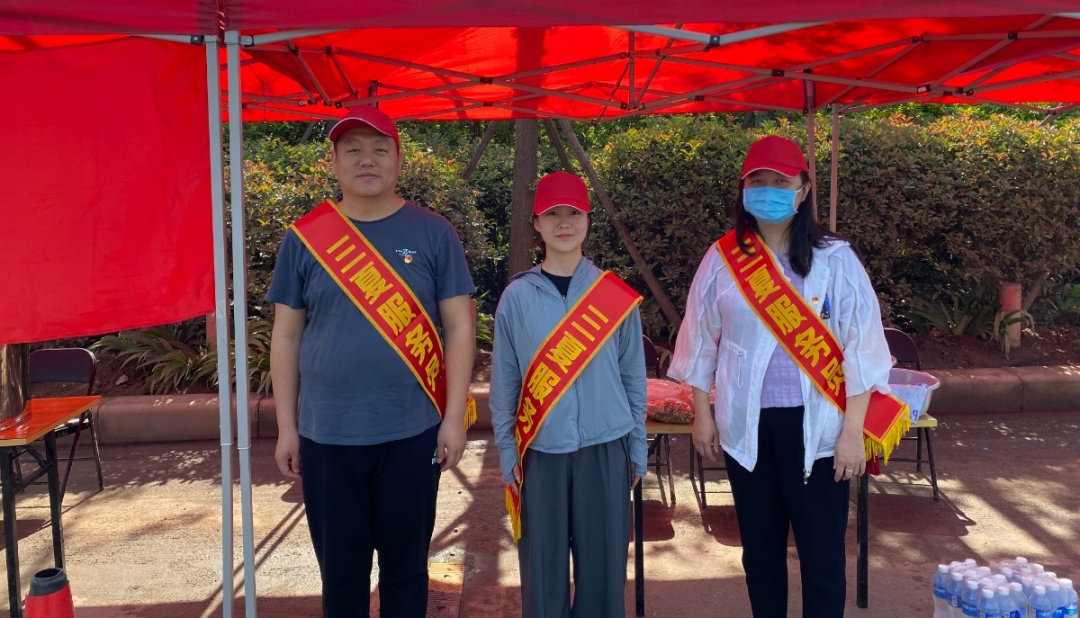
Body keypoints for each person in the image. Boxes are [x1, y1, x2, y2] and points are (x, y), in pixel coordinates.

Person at [668, 135, 894, 617]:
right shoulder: (722, 258)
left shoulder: (836, 259)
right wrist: (702, 413)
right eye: (758, 180)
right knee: (760, 555)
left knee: (823, 558)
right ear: (743, 189)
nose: (768, 189)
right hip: (747, 428)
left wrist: (853, 433)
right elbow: (699, 338)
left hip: (821, 432)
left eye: (780, 181)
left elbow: (864, 348)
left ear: (803, 189)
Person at [267, 105, 476, 618]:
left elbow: (459, 327)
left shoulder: (433, 233)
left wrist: (453, 418)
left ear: (398, 161)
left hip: (412, 432)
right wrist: (287, 427)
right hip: (326, 436)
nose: (367, 160)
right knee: (341, 576)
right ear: (334, 162)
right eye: (353, 150)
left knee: (406, 572)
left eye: (380, 149)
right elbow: (286, 336)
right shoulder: (305, 237)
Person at [490, 171, 647, 618]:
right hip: (540, 452)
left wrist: (637, 449)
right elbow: (505, 384)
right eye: (552, 213)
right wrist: (507, 452)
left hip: (606, 448)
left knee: (604, 574)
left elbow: (633, 378)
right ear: (536, 224)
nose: (564, 222)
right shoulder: (517, 297)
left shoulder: (613, 295)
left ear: (588, 221)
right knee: (542, 575)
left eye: (574, 213)